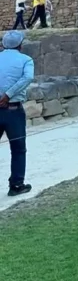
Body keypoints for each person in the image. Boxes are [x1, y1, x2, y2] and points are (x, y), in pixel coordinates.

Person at [0, 30, 35, 196]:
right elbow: (28, 77)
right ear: (20, 45)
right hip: (13, 109)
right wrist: (8, 95)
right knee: (18, 149)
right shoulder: (26, 60)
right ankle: (16, 185)